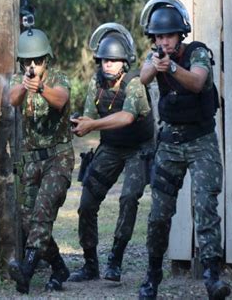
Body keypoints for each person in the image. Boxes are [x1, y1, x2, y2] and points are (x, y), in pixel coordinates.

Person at [137, 0, 230, 300]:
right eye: (159, 36)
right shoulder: (157, 55)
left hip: (201, 142)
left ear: (181, 35)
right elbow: (143, 77)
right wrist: (158, 64)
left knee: (205, 208)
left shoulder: (198, 52)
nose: (163, 41)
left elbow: (199, 82)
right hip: (170, 144)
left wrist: (173, 68)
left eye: (168, 35)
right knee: (159, 215)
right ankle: (151, 277)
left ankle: (212, 277)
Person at [68, 23, 155, 283]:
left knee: (128, 198)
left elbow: (127, 117)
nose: (108, 65)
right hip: (110, 146)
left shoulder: (136, 83)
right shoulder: (97, 83)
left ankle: (115, 261)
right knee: (86, 203)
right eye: (105, 60)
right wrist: (78, 124)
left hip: (138, 149)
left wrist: (91, 125)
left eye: (114, 60)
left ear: (124, 63)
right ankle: (90, 264)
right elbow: (89, 116)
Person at [8, 28, 74, 294]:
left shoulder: (59, 78)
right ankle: (59, 267)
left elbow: (61, 100)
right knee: (28, 220)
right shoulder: (20, 79)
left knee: (42, 214)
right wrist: (25, 86)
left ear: (47, 59)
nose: (32, 65)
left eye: (37, 60)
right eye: (27, 61)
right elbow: (12, 100)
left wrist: (42, 87)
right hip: (32, 160)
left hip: (58, 157)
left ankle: (27, 270)